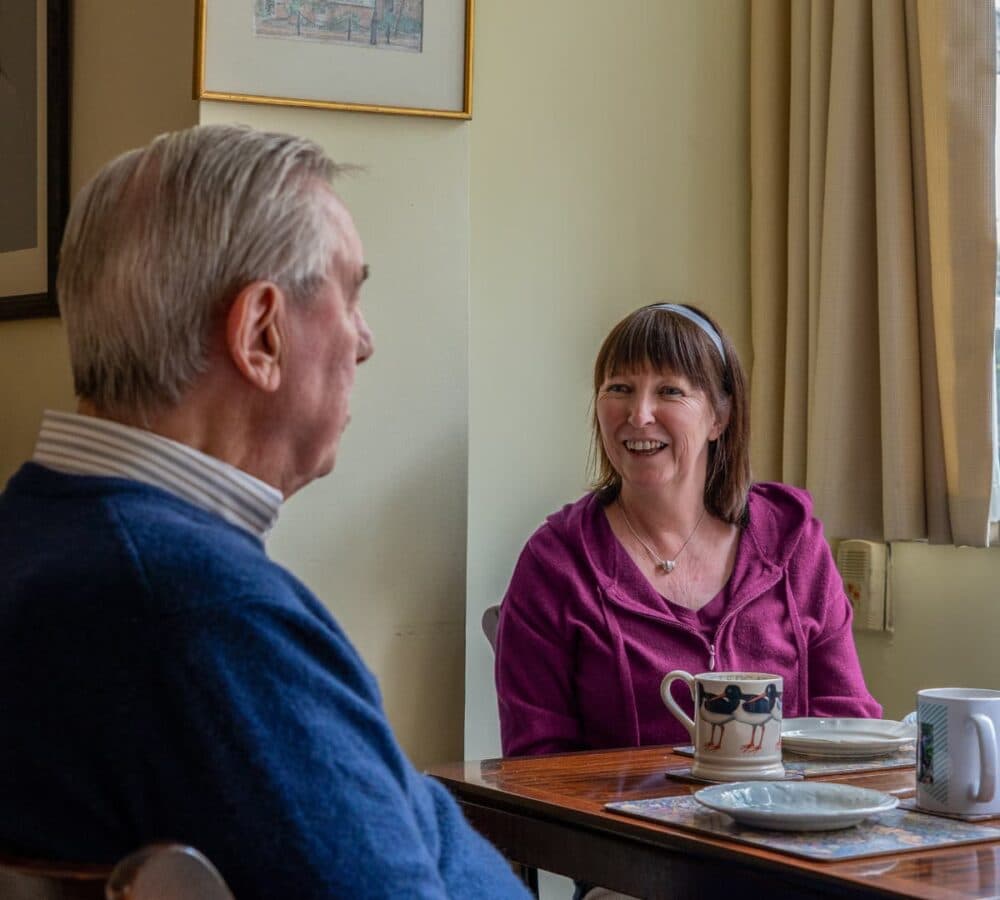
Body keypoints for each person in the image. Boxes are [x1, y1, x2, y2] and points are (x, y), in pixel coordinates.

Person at [0, 124, 528, 900]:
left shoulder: (36, 532)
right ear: (260, 333)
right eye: (350, 294)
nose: (366, 340)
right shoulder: (200, 610)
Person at [495, 302, 881, 758]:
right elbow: (535, 766)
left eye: (670, 392)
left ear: (719, 417)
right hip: (618, 827)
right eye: (619, 388)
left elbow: (847, 722)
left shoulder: (793, 543)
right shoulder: (556, 563)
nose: (639, 414)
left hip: (783, 822)